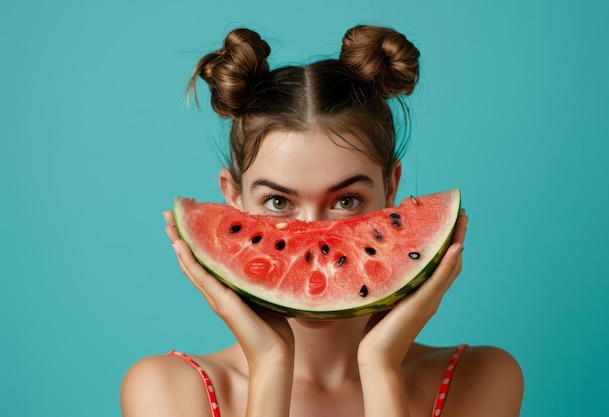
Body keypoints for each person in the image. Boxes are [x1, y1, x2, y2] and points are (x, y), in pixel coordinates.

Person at [121, 25, 524, 417]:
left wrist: (380, 365)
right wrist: (270, 364)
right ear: (232, 196)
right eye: (278, 201)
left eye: (346, 200)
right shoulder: (166, 389)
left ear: (392, 188)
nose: (314, 236)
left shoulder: (479, 378)